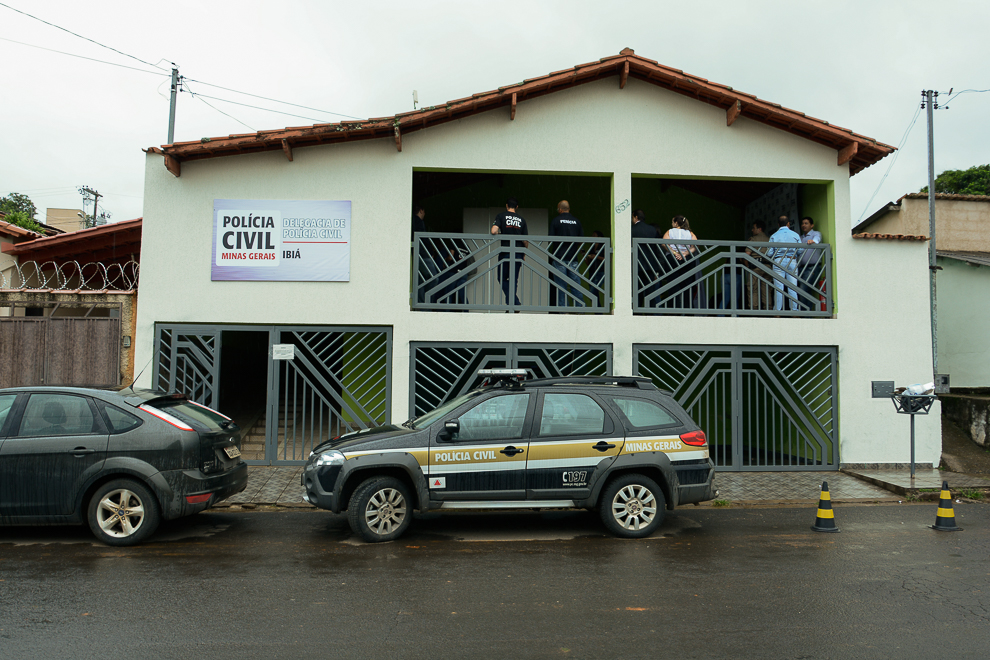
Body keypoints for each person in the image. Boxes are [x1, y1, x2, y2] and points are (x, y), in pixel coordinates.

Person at [491, 198, 528, 308]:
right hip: (518, 252)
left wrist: (499, 232)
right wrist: (524, 254)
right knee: (513, 280)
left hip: (505, 252)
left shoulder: (501, 216)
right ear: (517, 207)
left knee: (502, 278)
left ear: (507, 206)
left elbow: (493, 231)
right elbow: (525, 240)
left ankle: (513, 304)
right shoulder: (522, 220)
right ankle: (514, 304)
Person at [548, 200, 584, 308]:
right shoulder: (576, 221)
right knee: (575, 285)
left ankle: (564, 311)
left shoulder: (556, 221)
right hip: (573, 258)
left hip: (559, 258)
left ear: (559, 209)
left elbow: (550, 239)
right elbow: (581, 241)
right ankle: (579, 308)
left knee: (561, 286)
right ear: (569, 209)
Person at [662, 215, 699, 308]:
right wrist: (685, 253)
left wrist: (674, 252)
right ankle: (688, 309)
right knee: (687, 286)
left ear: (676, 223)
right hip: (686, 260)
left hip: (673, 260)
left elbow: (663, 243)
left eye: (672, 222)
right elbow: (696, 245)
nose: (672, 224)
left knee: (672, 285)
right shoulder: (690, 233)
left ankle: (674, 309)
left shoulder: (670, 231)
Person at [767, 215, 801, 311]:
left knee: (779, 287)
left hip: (778, 261)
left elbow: (769, 253)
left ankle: (777, 311)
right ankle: (794, 311)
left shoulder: (774, 236)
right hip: (792, 260)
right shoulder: (795, 235)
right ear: (788, 223)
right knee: (792, 287)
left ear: (778, 224)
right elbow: (800, 250)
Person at [631, 209, 660, 308]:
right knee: (650, 291)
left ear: (635, 217)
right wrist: (658, 268)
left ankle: (636, 312)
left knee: (636, 291)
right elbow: (657, 248)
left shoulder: (632, 230)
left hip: (636, 265)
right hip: (650, 265)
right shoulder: (652, 229)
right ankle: (649, 313)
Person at [412, 204, 439, 304]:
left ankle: (421, 304)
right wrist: (431, 252)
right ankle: (426, 303)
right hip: (423, 254)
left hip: (416, 254)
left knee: (420, 281)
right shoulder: (419, 221)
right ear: (421, 211)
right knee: (434, 278)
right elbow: (423, 238)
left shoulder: (412, 221)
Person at [798, 216, 823, 312]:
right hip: (801, 268)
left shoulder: (815, 234)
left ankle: (806, 315)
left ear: (812, 225)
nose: (803, 225)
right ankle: (807, 314)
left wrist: (814, 241)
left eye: (806, 223)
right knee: (805, 291)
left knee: (803, 290)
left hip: (812, 268)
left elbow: (818, 239)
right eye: (802, 223)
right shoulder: (801, 237)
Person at [744, 220, 771, 310]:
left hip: (755, 266)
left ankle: (754, 309)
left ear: (759, 229)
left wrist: (747, 266)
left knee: (752, 289)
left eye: (754, 228)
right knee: (766, 289)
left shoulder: (753, 239)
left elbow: (747, 254)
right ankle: (768, 309)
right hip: (768, 267)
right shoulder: (769, 239)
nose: (752, 230)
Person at [583, 230, 606, 307]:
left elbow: (607, 259)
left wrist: (595, 257)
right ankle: (598, 312)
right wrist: (585, 257)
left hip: (600, 272)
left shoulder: (603, 246)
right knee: (594, 294)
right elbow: (589, 264)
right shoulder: (591, 247)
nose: (592, 237)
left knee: (592, 292)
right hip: (592, 272)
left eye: (594, 235)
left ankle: (598, 311)